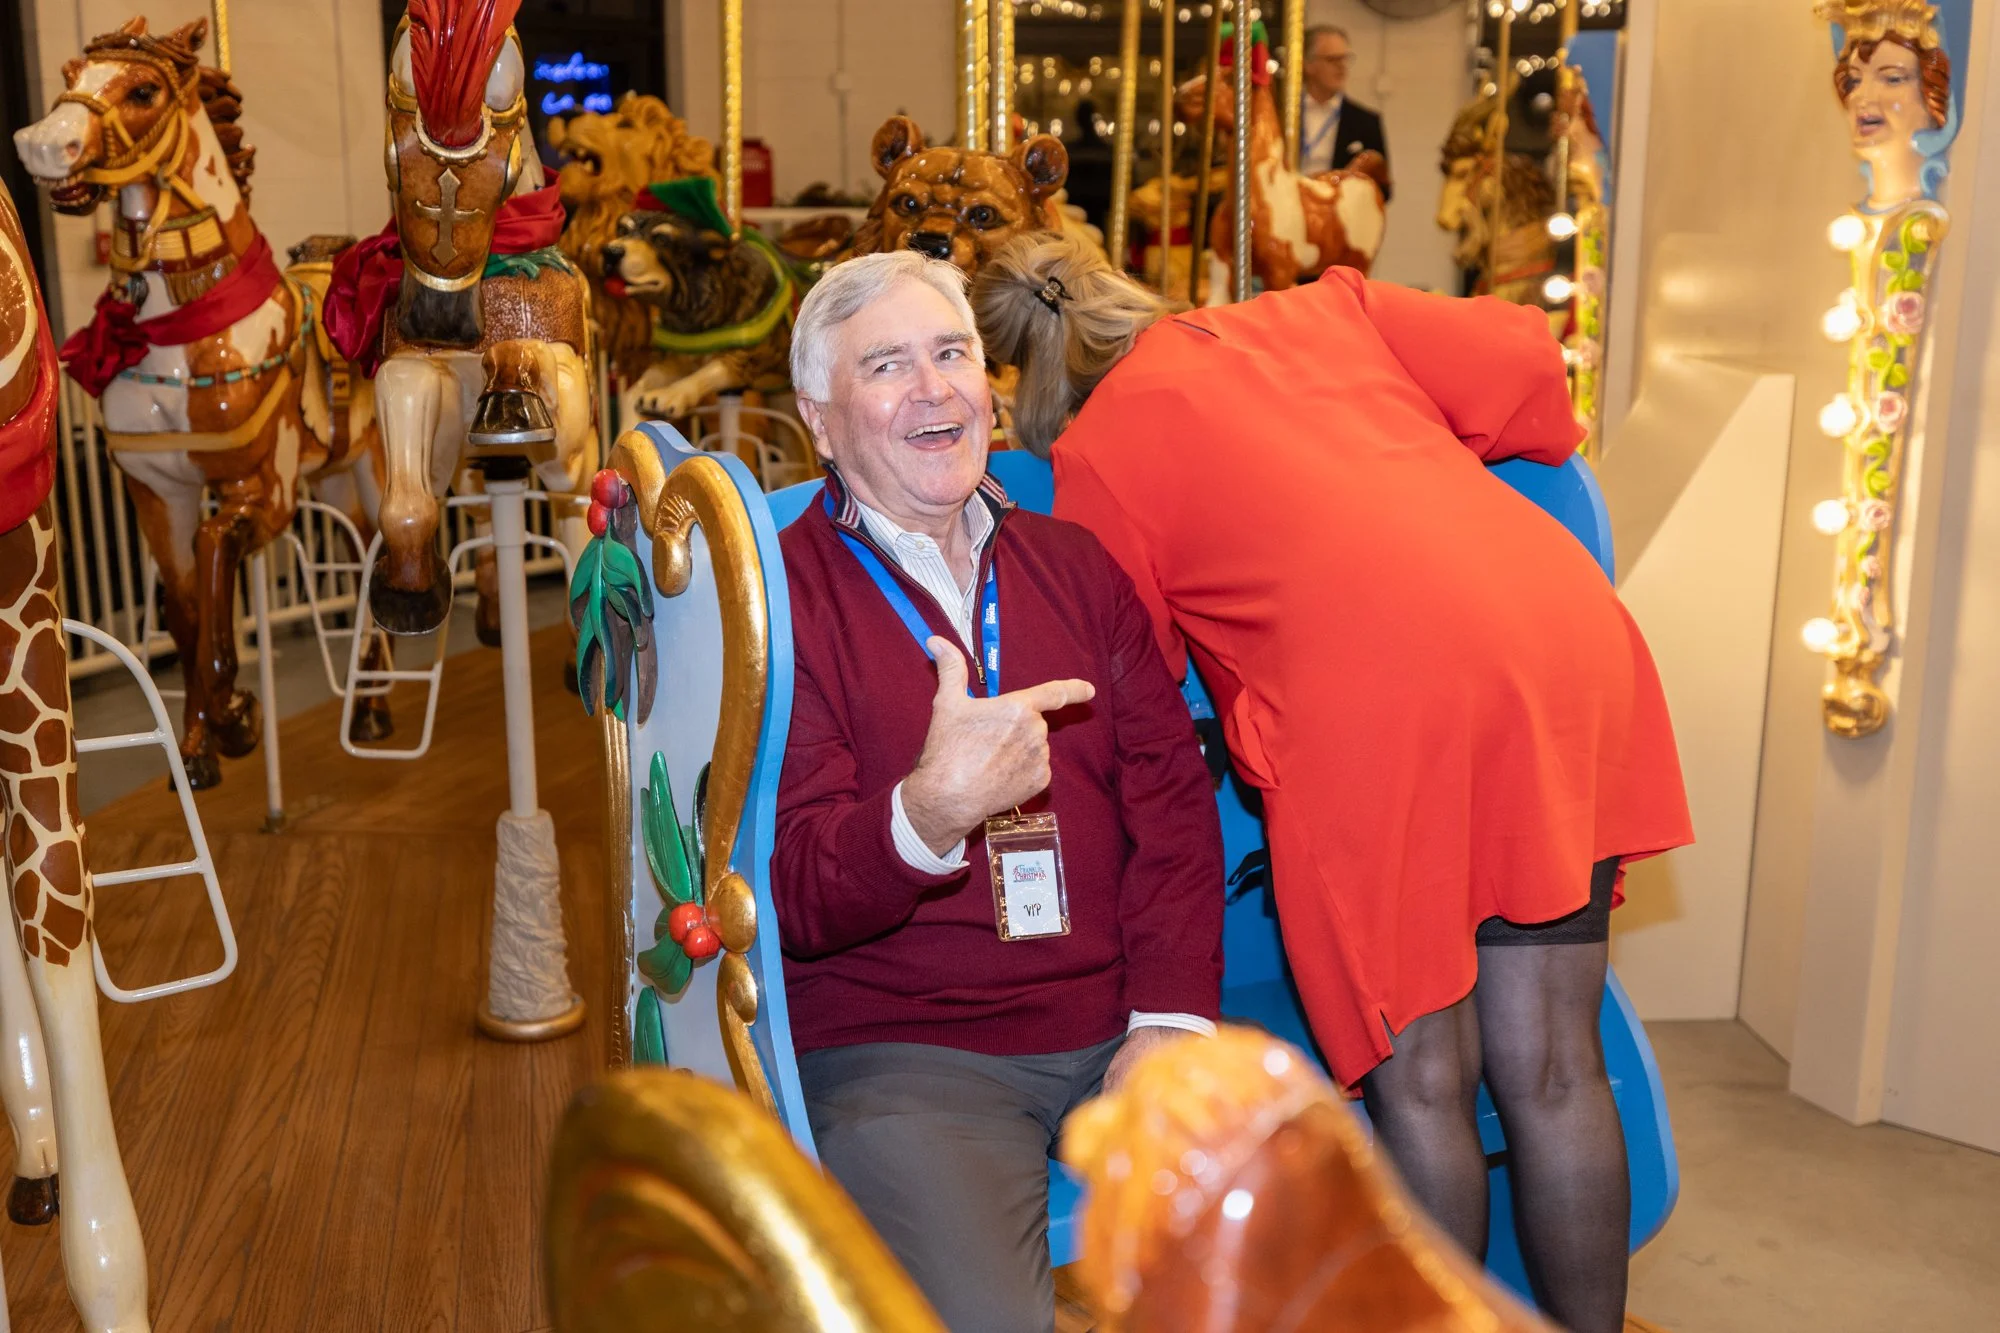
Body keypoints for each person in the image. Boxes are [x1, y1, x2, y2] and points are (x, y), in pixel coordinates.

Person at [973, 233, 1692, 1333]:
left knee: (1421, 1086)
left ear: (1026, 382)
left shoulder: (1095, 455)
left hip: (1379, 716)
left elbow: (1133, 678)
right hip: (1560, 639)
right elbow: (1525, 373)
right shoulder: (1323, 307)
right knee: (1552, 1066)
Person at [774, 249, 1224, 1333]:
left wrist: (1166, 1023)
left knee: (1295, 1272)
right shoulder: (778, 602)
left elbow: (1170, 807)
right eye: (886, 366)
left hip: (1116, 1020)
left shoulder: (1075, 567)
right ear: (819, 421)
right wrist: (924, 814)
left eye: (952, 355)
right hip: (905, 1050)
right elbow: (794, 886)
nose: (933, 389)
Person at [1300, 24, 1392, 200]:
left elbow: (1384, 190)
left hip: (1339, 214)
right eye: (1332, 60)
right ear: (1308, 65)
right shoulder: (1281, 114)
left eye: (1345, 59)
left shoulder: (1366, 123)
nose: (1341, 67)